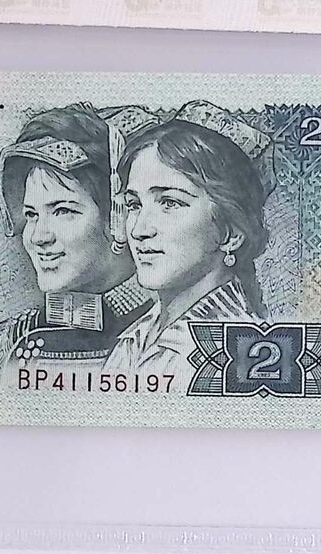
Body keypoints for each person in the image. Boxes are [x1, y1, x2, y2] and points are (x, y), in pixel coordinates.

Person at [0, 104, 158, 380]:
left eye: (62, 211)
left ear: (118, 217)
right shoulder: (8, 342)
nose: (39, 237)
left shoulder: (172, 332)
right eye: (31, 215)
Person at [104, 100, 273, 375]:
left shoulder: (238, 352)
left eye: (169, 203)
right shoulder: (135, 338)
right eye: (134, 205)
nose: (138, 230)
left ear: (231, 232)